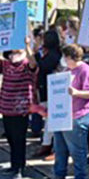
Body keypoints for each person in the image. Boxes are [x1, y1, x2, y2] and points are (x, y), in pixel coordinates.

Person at [47, 44, 89, 179]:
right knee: (60, 148)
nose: (63, 60)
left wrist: (76, 93)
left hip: (78, 115)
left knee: (77, 150)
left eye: (65, 57)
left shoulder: (86, 71)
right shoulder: (67, 70)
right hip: (63, 115)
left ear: (70, 57)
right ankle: (59, 175)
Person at [0, 38, 38, 179]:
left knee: (18, 139)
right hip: (6, 107)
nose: (14, 51)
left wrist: (27, 45)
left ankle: (19, 168)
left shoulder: (27, 64)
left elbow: (33, 63)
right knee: (10, 137)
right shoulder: (7, 64)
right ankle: (14, 164)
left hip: (20, 108)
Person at [32, 30, 63, 159]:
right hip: (45, 89)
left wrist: (36, 55)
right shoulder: (49, 53)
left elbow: (43, 66)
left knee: (52, 119)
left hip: (52, 90)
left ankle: (53, 147)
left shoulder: (55, 55)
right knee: (48, 119)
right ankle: (47, 144)